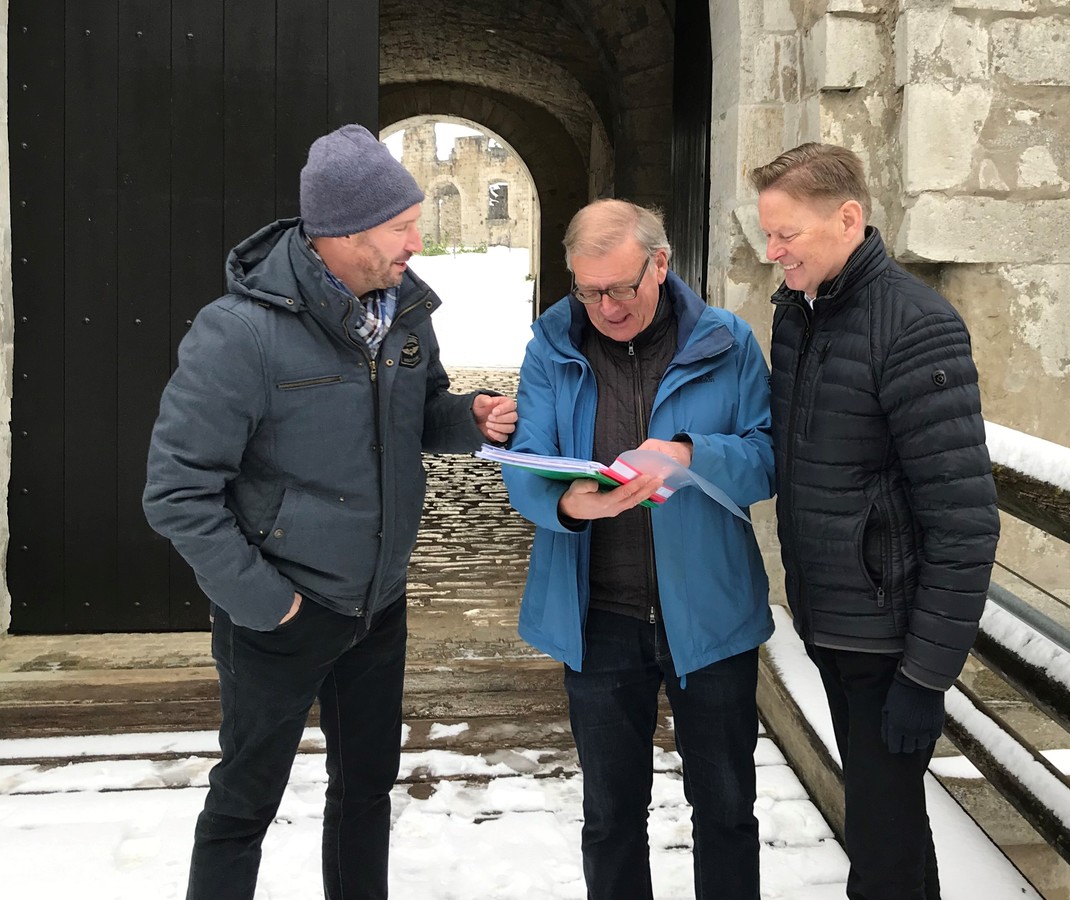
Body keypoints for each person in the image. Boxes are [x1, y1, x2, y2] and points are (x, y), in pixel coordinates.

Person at [143, 123, 517, 900]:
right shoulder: (240, 333)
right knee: (245, 801)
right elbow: (176, 491)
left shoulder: (405, 314)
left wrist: (467, 419)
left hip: (376, 605)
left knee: (367, 790)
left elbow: (418, 416)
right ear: (342, 233)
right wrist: (268, 604)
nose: (419, 239)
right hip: (281, 615)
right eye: (402, 226)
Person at [502, 199, 775, 899]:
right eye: (588, 291)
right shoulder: (550, 349)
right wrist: (566, 501)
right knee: (610, 815)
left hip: (710, 618)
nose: (607, 307)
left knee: (725, 811)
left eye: (621, 287)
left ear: (661, 264)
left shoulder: (727, 342)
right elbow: (525, 459)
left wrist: (689, 454)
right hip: (597, 617)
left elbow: (768, 458)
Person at [753, 143, 1000, 900]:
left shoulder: (916, 326)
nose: (773, 252)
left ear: (848, 218)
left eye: (786, 234)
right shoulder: (801, 313)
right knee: (883, 836)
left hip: (889, 641)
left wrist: (926, 677)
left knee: (883, 850)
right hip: (831, 620)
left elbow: (965, 520)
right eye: (768, 234)